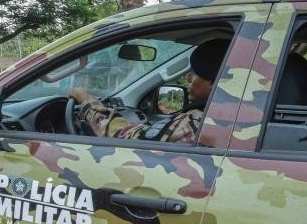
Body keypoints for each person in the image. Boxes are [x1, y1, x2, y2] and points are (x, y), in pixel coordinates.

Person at [70, 38, 230, 145]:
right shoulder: (229, 116)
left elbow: (127, 137)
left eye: (195, 73)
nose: (188, 78)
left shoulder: (197, 121)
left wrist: (86, 101)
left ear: (213, 82)